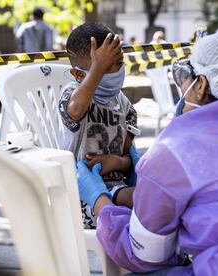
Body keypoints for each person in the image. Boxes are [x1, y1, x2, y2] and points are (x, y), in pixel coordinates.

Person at [76, 33, 218, 275]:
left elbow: (146, 254)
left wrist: (100, 201)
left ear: (201, 85)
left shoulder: (176, 150)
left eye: (185, 76)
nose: (182, 86)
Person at [59, 23, 138, 229]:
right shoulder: (71, 94)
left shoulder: (124, 105)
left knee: (154, 197)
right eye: (104, 66)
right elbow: (76, 110)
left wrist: (117, 162)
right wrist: (98, 68)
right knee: (143, 205)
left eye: (118, 62)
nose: (115, 70)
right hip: (81, 193)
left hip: (116, 188)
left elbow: (128, 157)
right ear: (78, 74)